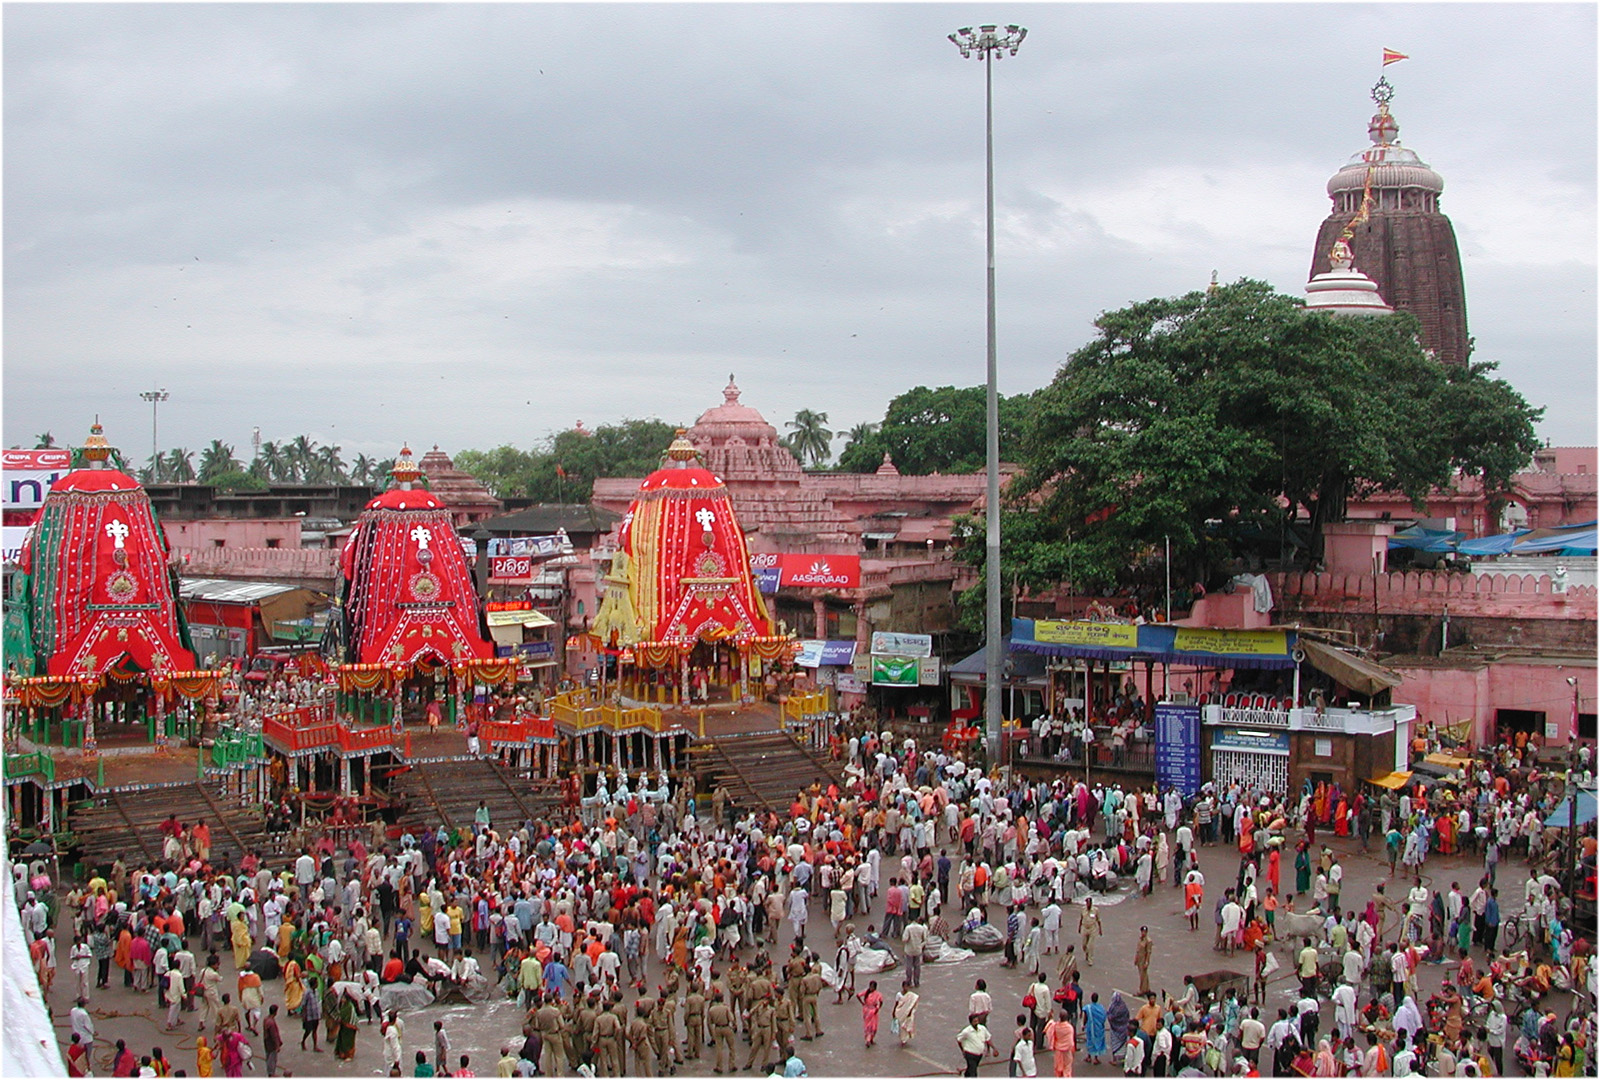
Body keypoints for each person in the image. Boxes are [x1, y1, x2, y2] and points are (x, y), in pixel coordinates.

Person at [1044, 1009, 1076, 1077]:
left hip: (1058, 1050)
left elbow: (1049, 1031)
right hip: (1067, 1051)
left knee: (1058, 1069)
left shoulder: (1055, 1026)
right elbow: (1071, 1041)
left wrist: (1051, 1017)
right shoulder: (1069, 1028)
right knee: (1067, 1068)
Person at [892, 979, 920, 1048]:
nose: (906, 988)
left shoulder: (911, 995)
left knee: (906, 1026)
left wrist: (910, 1012)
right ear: (902, 986)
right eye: (905, 986)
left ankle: (904, 1040)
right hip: (901, 1012)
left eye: (907, 986)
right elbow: (897, 1003)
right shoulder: (898, 994)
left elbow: (913, 1004)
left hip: (908, 1014)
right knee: (901, 1027)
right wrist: (894, 1011)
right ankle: (902, 1040)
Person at [858, 979, 884, 1047]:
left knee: (874, 1027)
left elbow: (881, 1001)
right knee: (868, 1026)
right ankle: (868, 1040)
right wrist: (862, 1003)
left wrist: (878, 1008)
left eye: (872, 987)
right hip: (867, 1011)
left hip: (873, 1011)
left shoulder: (878, 994)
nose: (871, 988)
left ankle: (871, 1039)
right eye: (870, 987)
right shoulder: (866, 992)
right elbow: (858, 995)